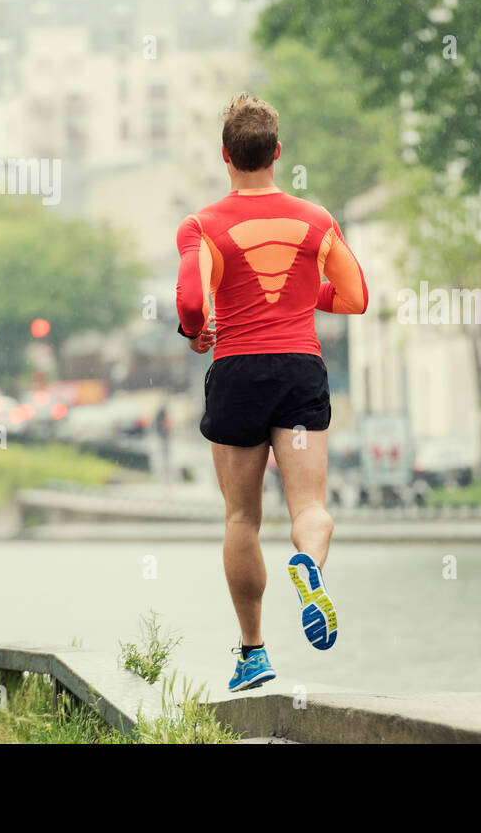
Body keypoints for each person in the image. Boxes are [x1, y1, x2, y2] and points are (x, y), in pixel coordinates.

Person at [175, 93, 368, 692]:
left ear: (225, 157)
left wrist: (195, 328)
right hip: (299, 372)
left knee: (242, 517)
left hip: (238, 374)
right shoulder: (316, 221)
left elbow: (189, 301)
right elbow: (356, 296)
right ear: (277, 154)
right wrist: (300, 291)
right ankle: (309, 566)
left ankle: (254, 651)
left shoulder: (203, 225)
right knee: (310, 507)